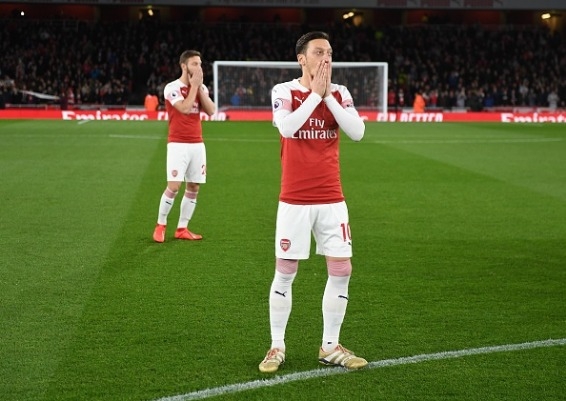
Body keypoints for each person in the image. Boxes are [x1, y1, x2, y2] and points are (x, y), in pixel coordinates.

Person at [258, 31, 368, 373]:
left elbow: (357, 132)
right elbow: (287, 128)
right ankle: (276, 346)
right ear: (301, 59)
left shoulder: (340, 93)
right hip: (294, 198)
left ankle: (330, 346)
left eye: (330, 52)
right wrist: (314, 96)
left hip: (332, 197)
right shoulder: (284, 91)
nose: (326, 58)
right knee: (285, 271)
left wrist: (327, 96)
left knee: (342, 269)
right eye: (319, 52)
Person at [152, 50, 216, 243]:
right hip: (177, 144)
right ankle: (160, 225)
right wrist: (194, 86)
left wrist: (198, 88)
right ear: (183, 66)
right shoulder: (172, 88)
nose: (199, 67)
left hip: (197, 143)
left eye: (200, 64)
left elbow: (211, 111)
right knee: (174, 186)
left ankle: (182, 228)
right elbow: (185, 108)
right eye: (194, 64)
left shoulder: (201, 88)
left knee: (194, 186)